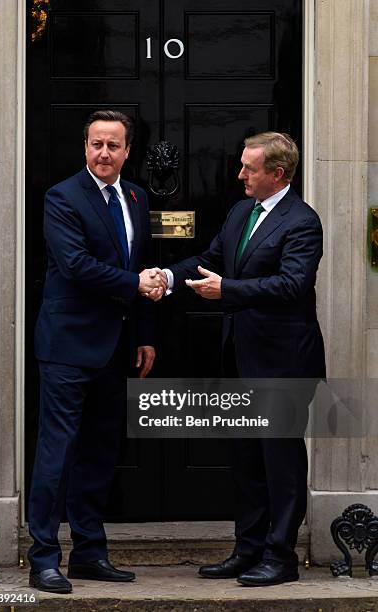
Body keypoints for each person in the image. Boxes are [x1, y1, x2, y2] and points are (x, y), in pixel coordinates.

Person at [154, 132, 326, 586]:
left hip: (283, 362)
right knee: (247, 461)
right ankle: (248, 550)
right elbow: (211, 258)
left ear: (277, 173)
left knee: (280, 463)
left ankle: (281, 557)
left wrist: (227, 291)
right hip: (240, 358)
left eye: (249, 168)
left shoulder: (302, 222)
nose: (240, 175)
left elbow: (292, 285)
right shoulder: (240, 212)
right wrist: (168, 276)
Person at [28, 110, 167, 594]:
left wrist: (146, 333)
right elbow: (77, 265)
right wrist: (137, 283)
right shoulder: (62, 197)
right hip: (68, 346)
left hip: (118, 347)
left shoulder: (136, 196)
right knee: (57, 452)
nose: (103, 153)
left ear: (128, 151)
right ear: (84, 147)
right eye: (95, 144)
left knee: (100, 454)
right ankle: (44, 557)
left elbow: (144, 263)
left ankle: (89, 553)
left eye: (112, 145)